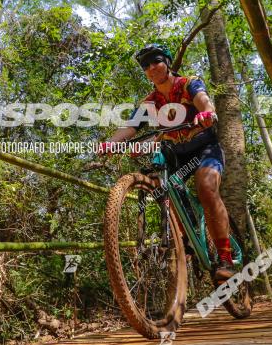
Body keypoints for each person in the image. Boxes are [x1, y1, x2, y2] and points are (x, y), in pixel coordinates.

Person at [97, 43, 234, 280]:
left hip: (205, 148)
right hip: (176, 154)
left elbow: (203, 100)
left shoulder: (188, 83)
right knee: (163, 187)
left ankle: (225, 257)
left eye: (155, 61)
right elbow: (130, 127)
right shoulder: (149, 102)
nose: (151, 68)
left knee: (206, 188)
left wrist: (206, 113)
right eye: (145, 66)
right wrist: (110, 143)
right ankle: (186, 237)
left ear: (168, 62)